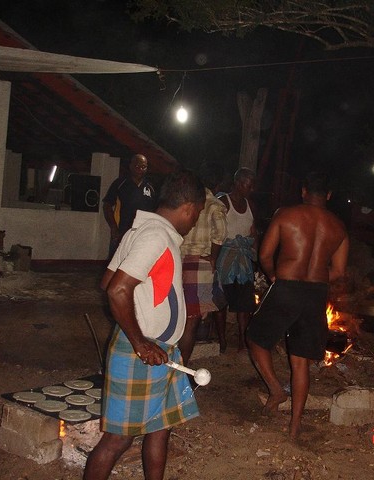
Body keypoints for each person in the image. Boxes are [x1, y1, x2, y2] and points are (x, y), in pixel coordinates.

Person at [84, 169, 205, 480]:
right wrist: (139, 342)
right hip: (143, 352)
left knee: (160, 428)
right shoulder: (155, 237)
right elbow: (116, 290)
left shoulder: (141, 232)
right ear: (188, 208)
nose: (195, 222)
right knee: (118, 439)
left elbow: (107, 281)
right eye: (197, 214)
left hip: (160, 352)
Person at [246, 171, 349, 440]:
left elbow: (265, 254)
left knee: (255, 339)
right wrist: (316, 277)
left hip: (287, 287)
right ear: (328, 195)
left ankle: (275, 389)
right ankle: (294, 427)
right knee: (300, 362)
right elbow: (339, 271)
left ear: (304, 191)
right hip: (315, 294)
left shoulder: (286, 215)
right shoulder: (338, 227)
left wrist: (273, 275)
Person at [178, 162, 228, 364]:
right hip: (201, 265)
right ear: (217, 184)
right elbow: (221, 234)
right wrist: (214, 257)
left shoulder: (186, 201)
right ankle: (182, 366)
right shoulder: (215, 205)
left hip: (179, 261)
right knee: (193, 320)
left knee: (179, 315)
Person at [216, 167, 257, 352]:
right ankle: (222, 341)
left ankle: (242, 341)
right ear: (238, 183)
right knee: (221, 301)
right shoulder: (223, 202)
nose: (251, 189)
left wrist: (254, 254)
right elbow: (215, 231)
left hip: (243, 259)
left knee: (244, 304)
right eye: (249, 185)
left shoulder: (250, 205)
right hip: (225, 257)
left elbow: (253, 232)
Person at [102, 153, 157, 257]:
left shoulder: (150, 187)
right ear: (131, 166)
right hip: (122, 233)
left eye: (143, 167)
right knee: (116, 262)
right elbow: (107, 205)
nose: (140, 169)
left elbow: (155, 210)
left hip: (142, 234)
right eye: (137, 166)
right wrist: (114, 228)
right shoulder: (120, 184)